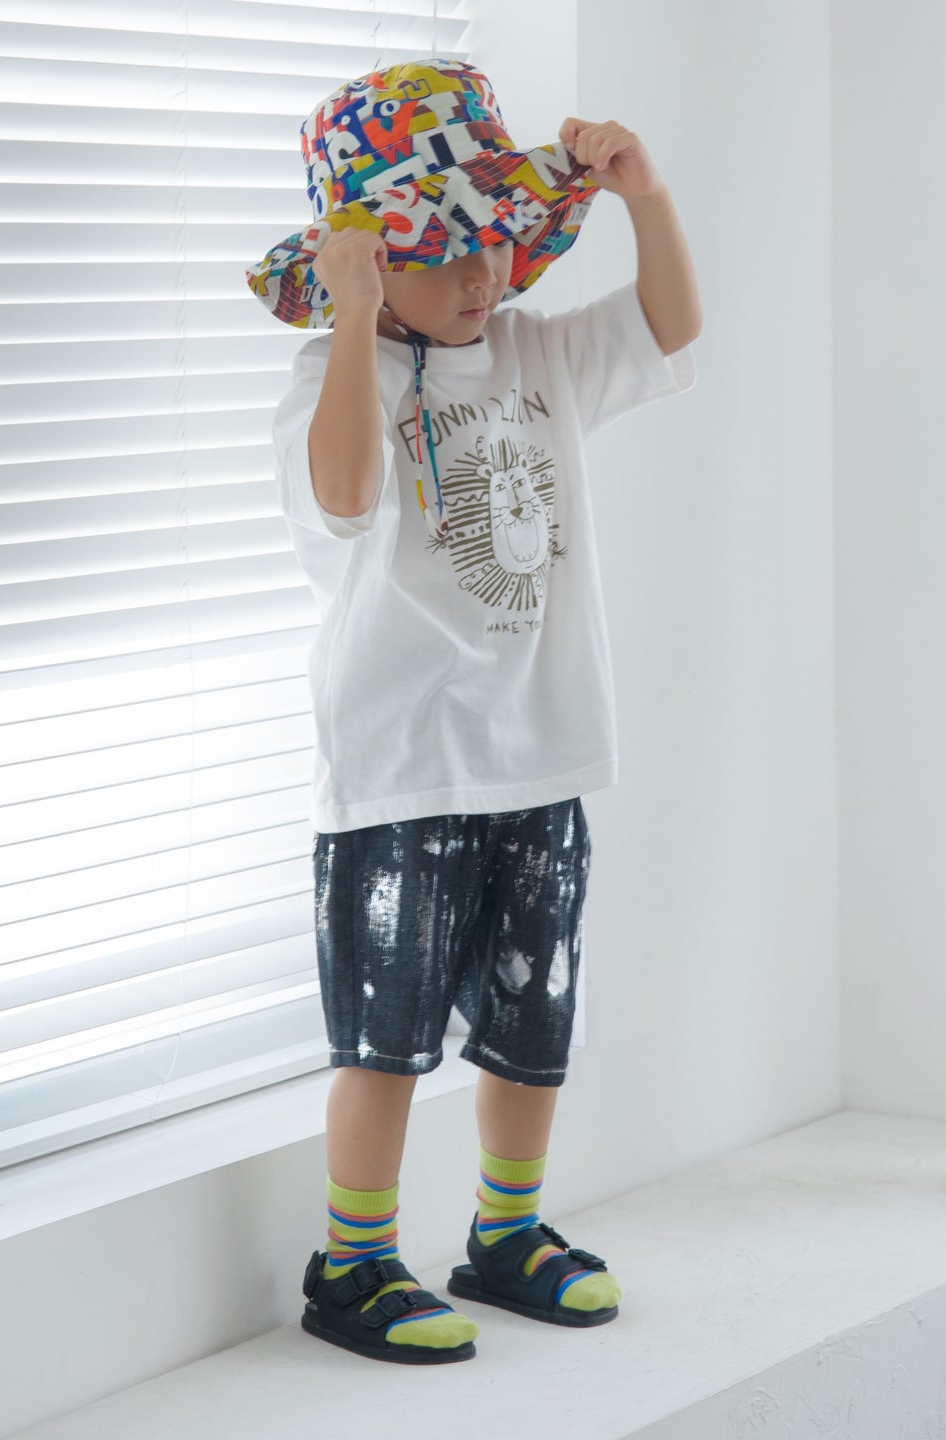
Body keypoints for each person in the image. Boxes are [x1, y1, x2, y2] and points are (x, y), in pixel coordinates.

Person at [246, 57, 701, 1365]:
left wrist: (644, 196)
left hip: (538, 753)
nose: (481, 273)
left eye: (495, 239)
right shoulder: (334, 383)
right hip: (401, 769)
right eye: (442, 252)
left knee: (529, 1021)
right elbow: (344, 496)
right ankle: (355, 1261)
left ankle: (506, 1234)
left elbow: (672, 328)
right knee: (383, 1039)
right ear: (368, 263)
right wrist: (351, 321)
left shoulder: (536, 353)